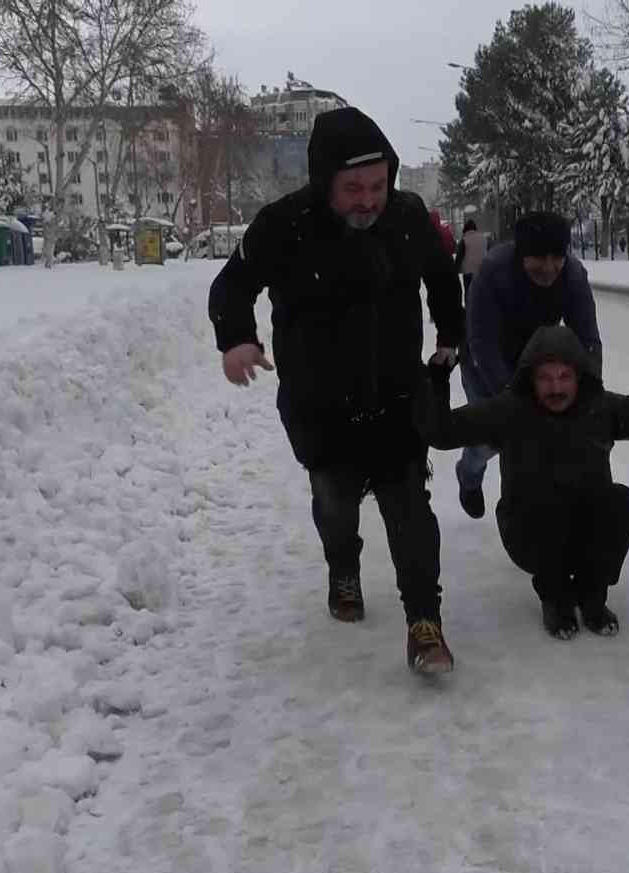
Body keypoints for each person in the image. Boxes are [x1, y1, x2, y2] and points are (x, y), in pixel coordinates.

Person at [208, 107, 464, 675]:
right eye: (353, 188)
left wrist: (449, 335)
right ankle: (343, 568)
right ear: (325, 180)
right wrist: (236, 339)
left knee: (409, 508)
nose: (368, 199)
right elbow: (232, 285)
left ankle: (425, 623)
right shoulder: (284, 225)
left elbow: (443, 278)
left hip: (397, 396)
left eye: (377, 185)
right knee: (336, 503)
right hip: (318, 406)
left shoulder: (407, 217)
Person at [415, 325, 629, 639]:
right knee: (545, 500)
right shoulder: (509, 412)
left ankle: (592, 596)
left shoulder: (600, 408)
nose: (556, 388)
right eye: (545, 378)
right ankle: (556, 598)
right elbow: (443, 433)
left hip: (584, 526)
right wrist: (437, 381)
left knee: (620, 502)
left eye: (564, 377)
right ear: (530, 379)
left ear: (580, 378)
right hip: (529, 531)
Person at [455, 211, 602, 519]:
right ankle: (468, 474)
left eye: (556, 258)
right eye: (538, 258)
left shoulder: (573, 275)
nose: (548, 268)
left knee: (542, 435)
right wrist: (512, 396)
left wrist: (590, 390)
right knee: (493, 437)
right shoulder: (493, 271)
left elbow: (588, 340)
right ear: (521, 255)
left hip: (535, 357)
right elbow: (481, 340)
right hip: (482, 357)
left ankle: (533, 509)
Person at [454, 218, 488, 295]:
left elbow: (459, 257)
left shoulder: (464, 240)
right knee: (480, 293)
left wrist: (455, 271)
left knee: (469, 294)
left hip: (468, 273)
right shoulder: (484, 238)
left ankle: (469, 306)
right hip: (481, 271)